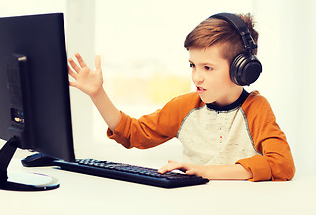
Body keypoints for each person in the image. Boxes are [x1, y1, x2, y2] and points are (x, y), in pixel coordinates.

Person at [67, 12, 295, 181]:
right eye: (192, 66)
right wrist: (97, 94)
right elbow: (134, 133)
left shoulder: (256, 108)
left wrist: (207, 172)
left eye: (208, 68)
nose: (197, 77)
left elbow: (282, 165)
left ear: (242, 70)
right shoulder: (186, 106)